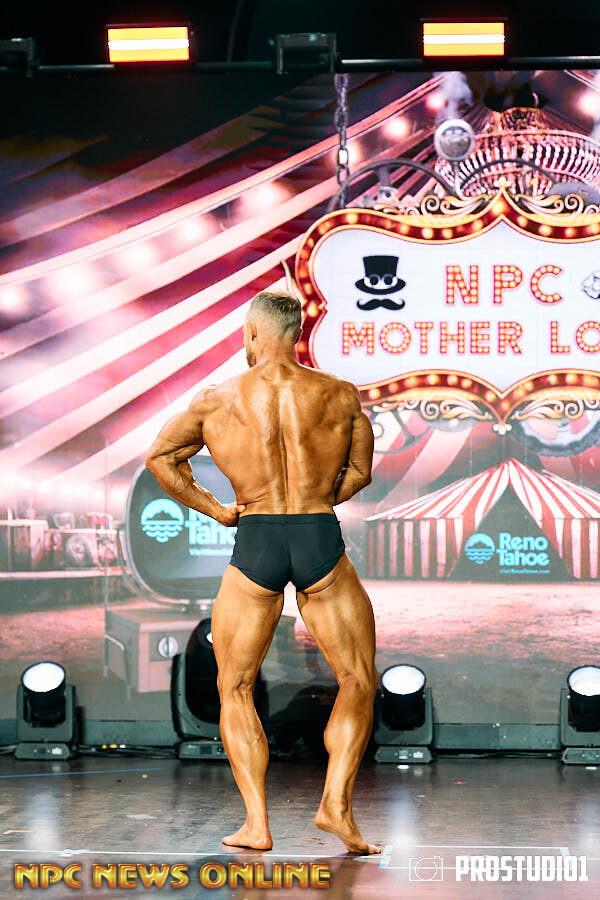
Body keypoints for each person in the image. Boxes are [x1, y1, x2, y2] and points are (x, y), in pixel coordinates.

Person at [145, 289, 379, 855]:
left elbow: (161, 459)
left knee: (235, 684)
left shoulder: (217, 400)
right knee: (357, 679)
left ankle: (256, 825)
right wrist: (318, 500)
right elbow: (360, 473)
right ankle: (336, 808)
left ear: (251, 333)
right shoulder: (339, 394)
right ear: (297, 334)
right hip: (318, 535)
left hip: (256, 537)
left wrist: (219, 510)